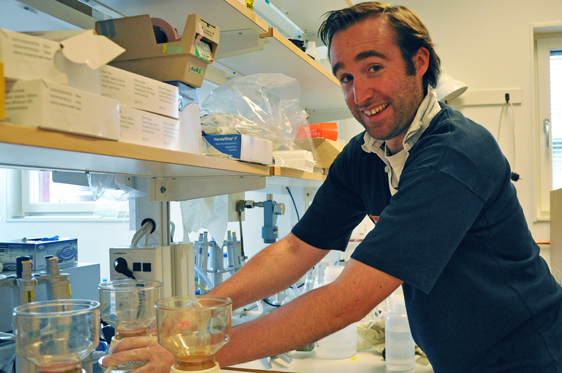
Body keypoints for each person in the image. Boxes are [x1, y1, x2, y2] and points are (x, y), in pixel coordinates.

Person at [102, 2, 562, 372]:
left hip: (530, 353)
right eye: (345, 77)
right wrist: (198, 314)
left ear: (418, 62)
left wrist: (195, 354)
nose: (359, 96)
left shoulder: (455, 153)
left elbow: (349, 300)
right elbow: (295, 251)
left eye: (374, 68)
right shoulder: (364, 156)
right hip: (457, 358)